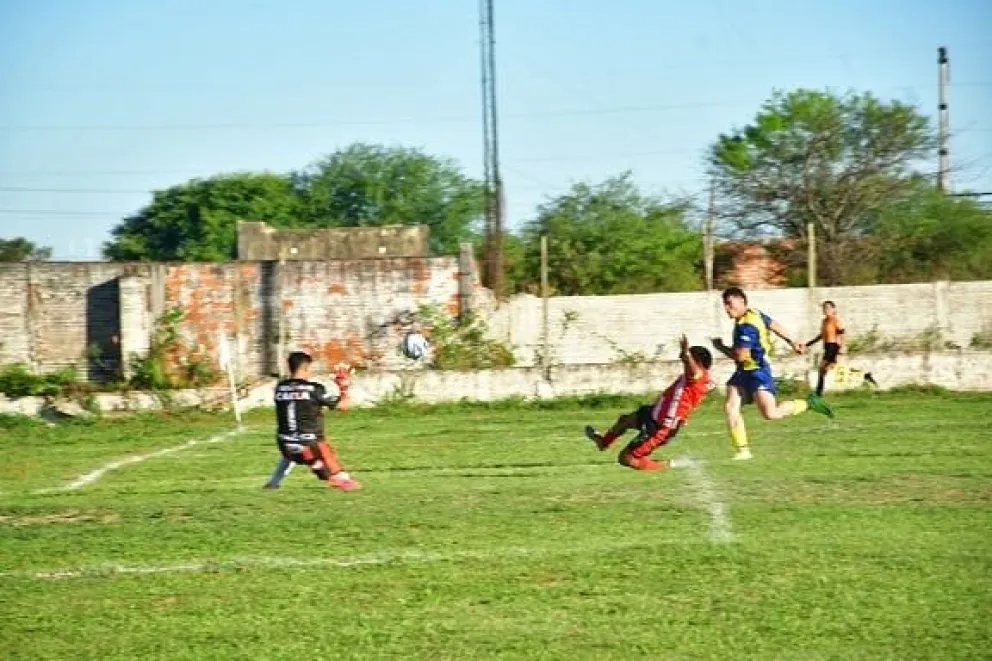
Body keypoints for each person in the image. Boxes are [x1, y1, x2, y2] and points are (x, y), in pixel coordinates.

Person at [712, 287, 833, 461]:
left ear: (742, 302)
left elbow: (740, 355)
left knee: (771, 414)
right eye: (725, 304)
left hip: (758, 371)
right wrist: (793, 341)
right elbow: (774, 325)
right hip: (743, 371)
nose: (726, 308)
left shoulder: (747, 326)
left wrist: (720, 347)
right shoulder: (754, 313)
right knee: (731, 407)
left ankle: (808, 404)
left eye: (730, 304)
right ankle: (743, 451)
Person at [584, 335, 715, 471]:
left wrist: (686, 353)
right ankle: (603, 442)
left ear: (698, 361)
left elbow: (691, 367)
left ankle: (667, 466)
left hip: (661, 428)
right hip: (654, 414)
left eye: (689, 358)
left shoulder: (697, 376)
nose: (681, 359)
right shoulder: (698, 378)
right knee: (625, 421)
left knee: (627, 458)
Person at [262, 352, 360, 491]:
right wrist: (343, 387)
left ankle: (274, 482)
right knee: (325, 459)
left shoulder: (280, 387)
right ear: (305, 368)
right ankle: (336, 476)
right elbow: (344, 406)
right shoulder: (314, 389)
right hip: (310, 445)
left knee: (293, 447)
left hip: (285, 445)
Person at [806, 301, 877, 395]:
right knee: (830, 368)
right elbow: (821, 335)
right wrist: (808, 344)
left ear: (833, 309)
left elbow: (842, 333)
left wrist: (842, 347)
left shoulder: (835, 320)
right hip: (827, 346)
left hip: (833, 346)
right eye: (824, 308)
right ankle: (865, 376)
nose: (826, 310)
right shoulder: (824, 321)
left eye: (828, 308)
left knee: (822, 368)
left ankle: (819, 392)